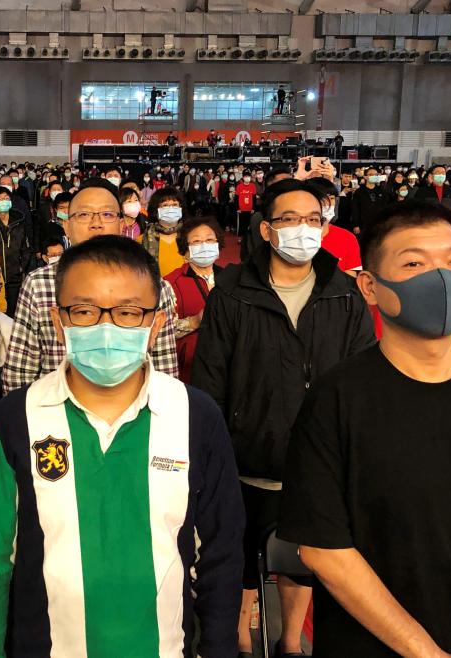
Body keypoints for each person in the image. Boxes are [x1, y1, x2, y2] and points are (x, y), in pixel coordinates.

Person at [278, 200, 451, 658]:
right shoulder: (337, 400)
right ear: (369, 286)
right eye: (414, 263)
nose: (442, 277)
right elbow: (325, 549)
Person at [0, 235, 245, 656]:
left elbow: (220, 553)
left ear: (156, 324)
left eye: (129, 312)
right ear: (59, 321)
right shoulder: (15, 418)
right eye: (85, 311)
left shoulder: (194, 415)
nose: (106, 327)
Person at [192, 179, 376, 658]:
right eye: (290, 220)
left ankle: (291, 639)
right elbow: (211, 379)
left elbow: (360, 378)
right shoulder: (232, 292)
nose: (303, 230)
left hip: (318, 462)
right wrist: (212, 453)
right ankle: (238, 632)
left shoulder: (343, 293)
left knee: (303, 560)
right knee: (239, 554)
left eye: (314, 220)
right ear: (267, 230)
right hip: (245, 457)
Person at [2, 179, 180, 393]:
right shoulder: (38, 284)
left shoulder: (154, 286)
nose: (96, 223)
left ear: (122, 223)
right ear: (66, 225)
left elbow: (164, 368)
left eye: (107, 214)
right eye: (84, 215)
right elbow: (20, 371)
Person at [164, 216, 224, 384]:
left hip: (227, 363)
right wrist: (194, 322)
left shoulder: (231, 277)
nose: (205, 246)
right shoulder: (170, 283)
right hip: (190, 369)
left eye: (210, 240)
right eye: (196, 242)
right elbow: (162, 331)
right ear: (185, 251)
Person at [0, 185, 35, 317]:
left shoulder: (19, 220)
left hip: (15, 277)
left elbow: (26, 248)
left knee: (14, 313)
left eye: (6, 198)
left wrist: (21, 267)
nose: (3, 201)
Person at [141, 187, 188, 276]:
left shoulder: (191, 237)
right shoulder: (142, 240)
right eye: (165, 205)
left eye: (175, 205)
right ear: (156, 210)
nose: (170, 209)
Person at [351, 167, 391, 237]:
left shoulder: (380, 190)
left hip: (377, 224)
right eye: (371, 174)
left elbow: (385, 205)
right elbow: (355, 208)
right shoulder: (359, 191)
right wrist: (355, 224)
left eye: (375, 175)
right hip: (363, 224)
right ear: (365, 177)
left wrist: (383, 184)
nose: (373, 176)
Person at [234, 171, 257, 237]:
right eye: (246, 176)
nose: (247, 178)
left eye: (248, 177)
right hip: (241, 209)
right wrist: (237, 208)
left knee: (250, 223)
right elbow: (236, 198)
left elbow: (254, 198)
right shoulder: (239, 186)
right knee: (241, 224)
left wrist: (253, 208)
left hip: (250, 209)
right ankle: (240, 237)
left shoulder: (253, 186)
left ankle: (249, 237)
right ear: (243, 178)